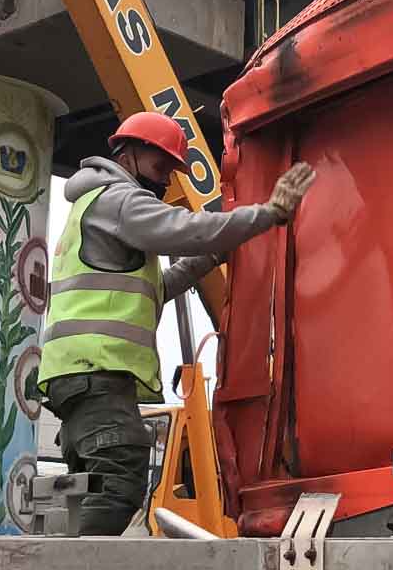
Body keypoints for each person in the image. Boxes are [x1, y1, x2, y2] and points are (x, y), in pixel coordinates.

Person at [37, 111, 316, 536]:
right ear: (128, 153)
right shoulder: (119, 199)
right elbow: (185, 229)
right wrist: (267, 214)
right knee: (119, 481)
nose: (165, 179)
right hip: (97, 371)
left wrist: (210, 257)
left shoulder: (92, 207)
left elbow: (156, 289)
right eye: (161, 165)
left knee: (90, 487)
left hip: (75, 374)